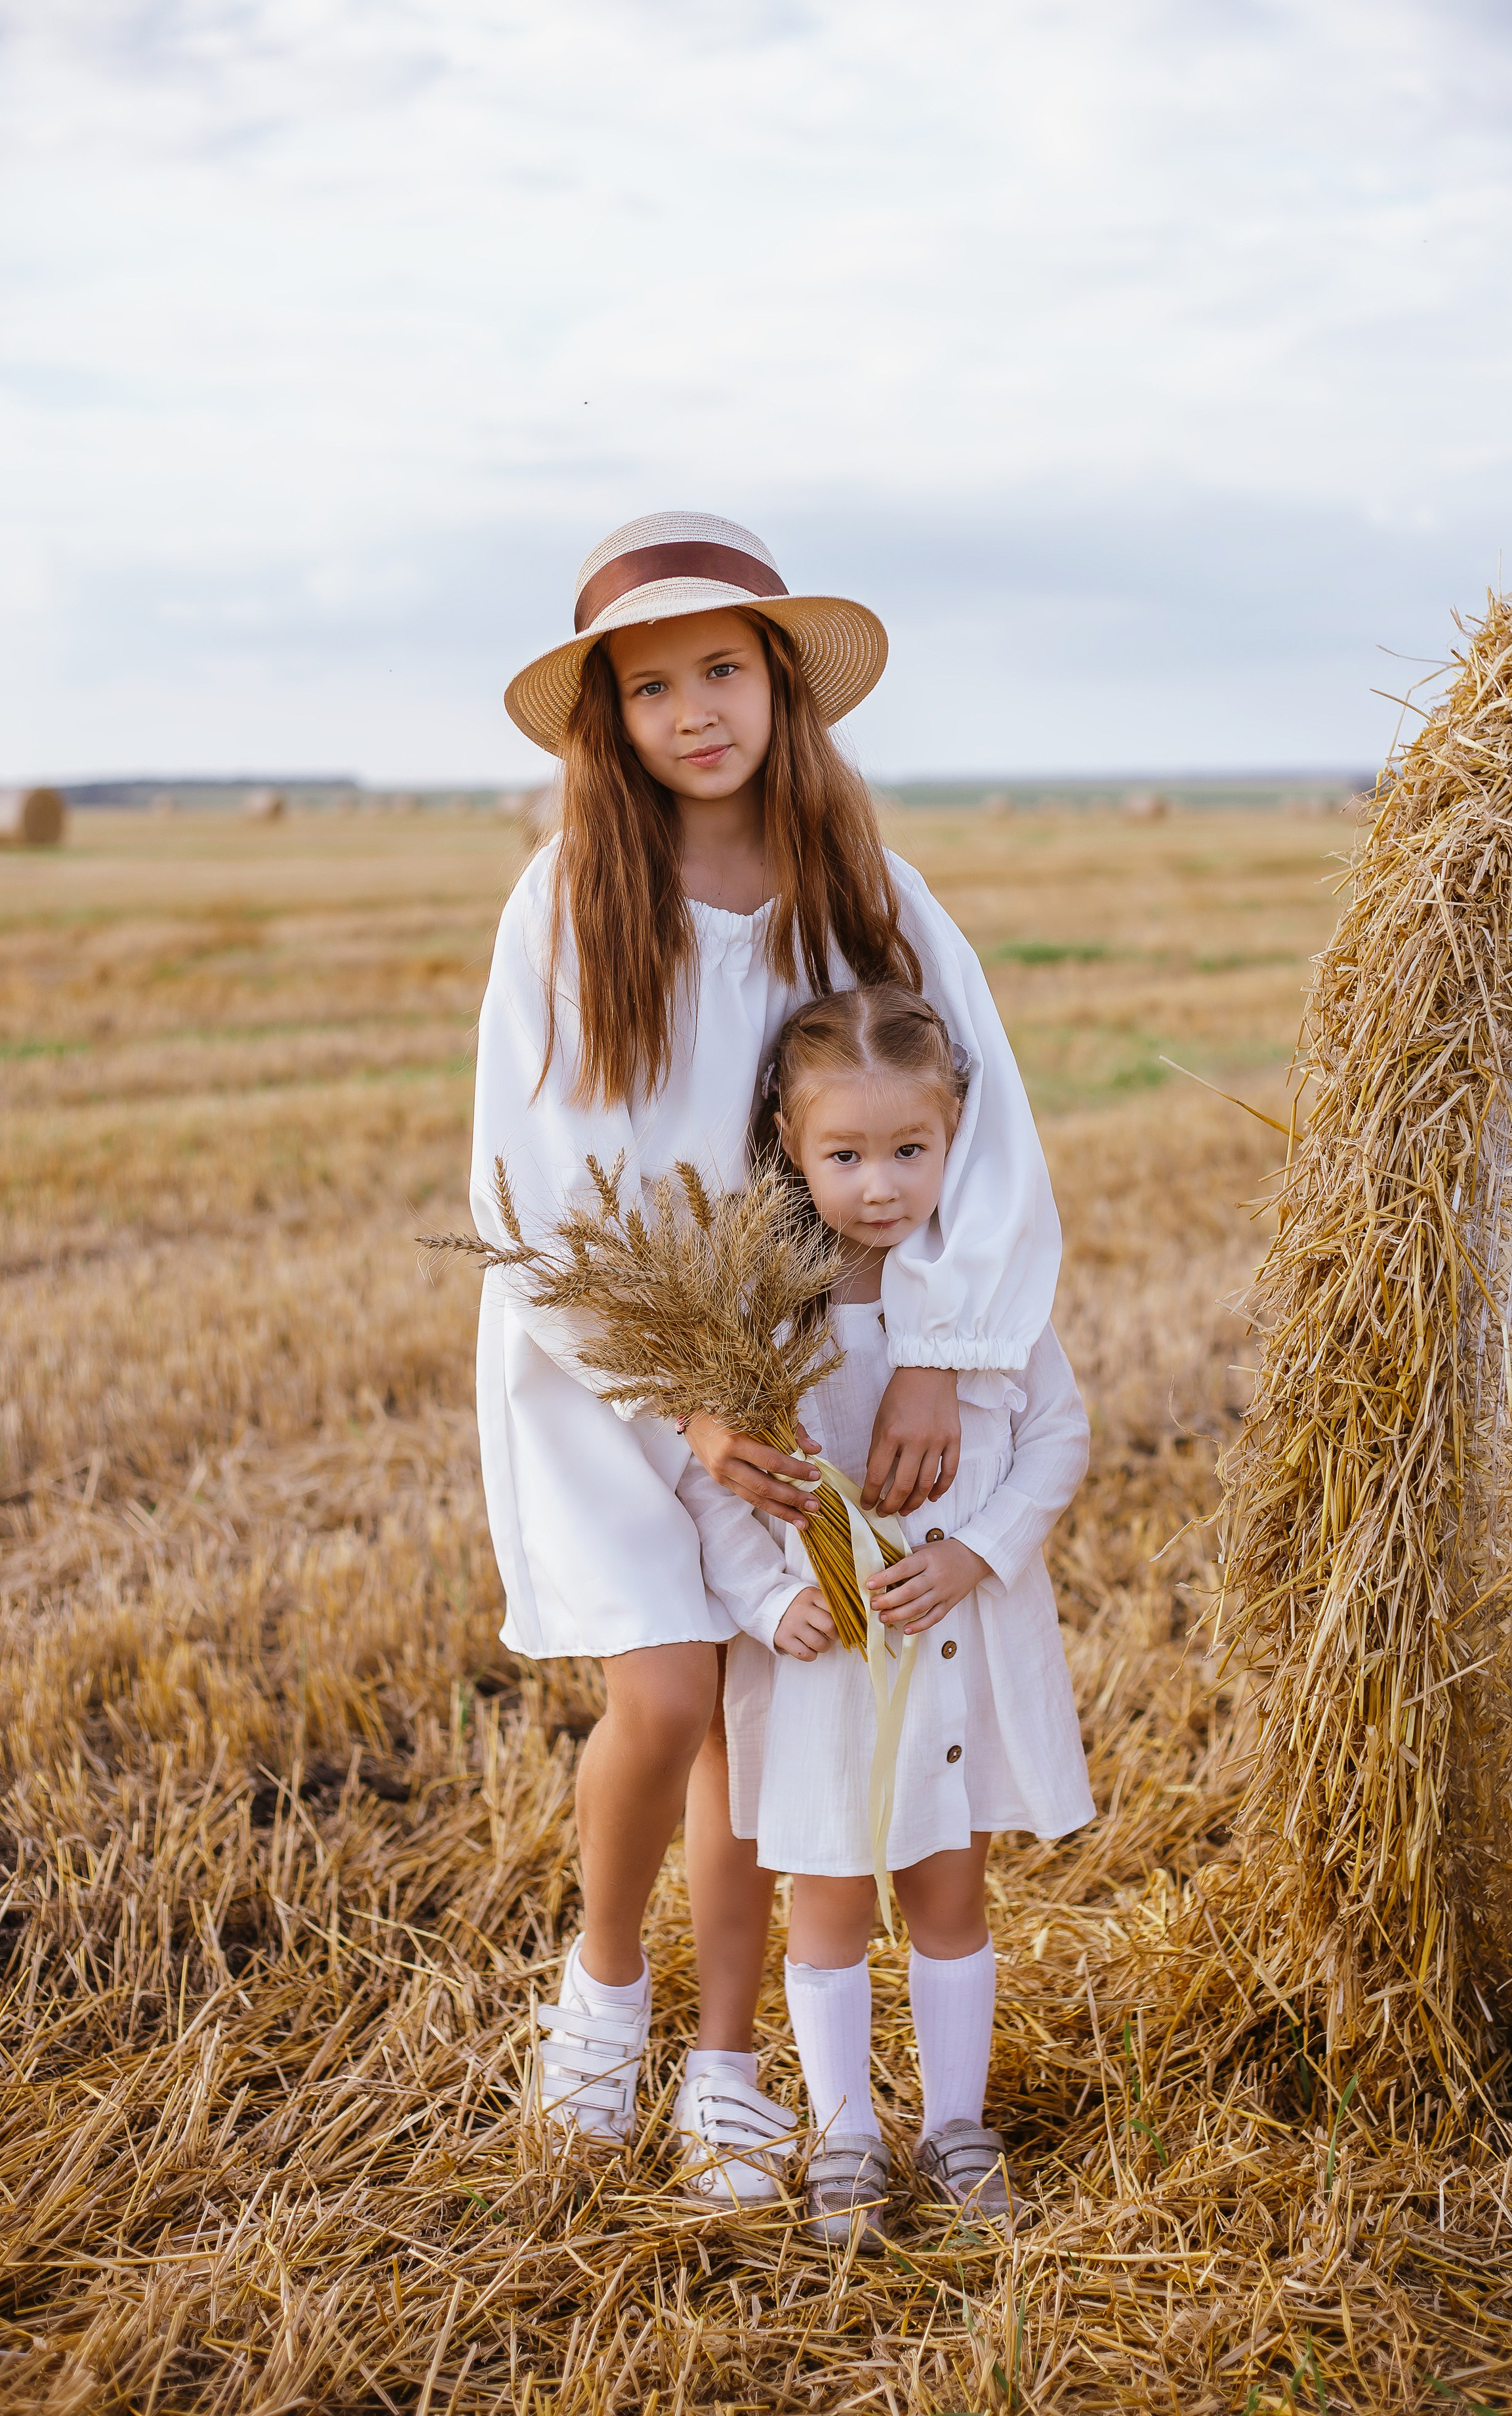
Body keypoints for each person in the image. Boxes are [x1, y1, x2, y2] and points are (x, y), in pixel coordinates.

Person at [471, 512, 1062, 2199]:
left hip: (810, 1370)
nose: (692, 711)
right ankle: (604, 1996)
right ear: (611, 721)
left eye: (719, 668)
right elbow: (521, 1171)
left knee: (757, 1715)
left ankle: (724, 2062)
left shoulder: (864, 892)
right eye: (649, 686)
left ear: (778, 685)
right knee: (658, 1697)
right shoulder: (569, 900)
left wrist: (941, 1352)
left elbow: (981, 1120)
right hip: (623, 1370)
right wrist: (677, 1391)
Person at [678, 984, 1093, 2247]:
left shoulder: (981, 1295)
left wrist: (974, 1555)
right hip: (822, 1666)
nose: (879, 1185)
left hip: (952, 1647)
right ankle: (847, 2133)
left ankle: (957, 2128)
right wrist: (770, 1597)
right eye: (845, 1155)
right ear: (791, 1149)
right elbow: (716, 1489)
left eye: (910, 1150)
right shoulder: (770, 1311)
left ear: (958, 1133)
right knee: (832, 1901)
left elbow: (1056, 1442)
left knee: (950, 1891)